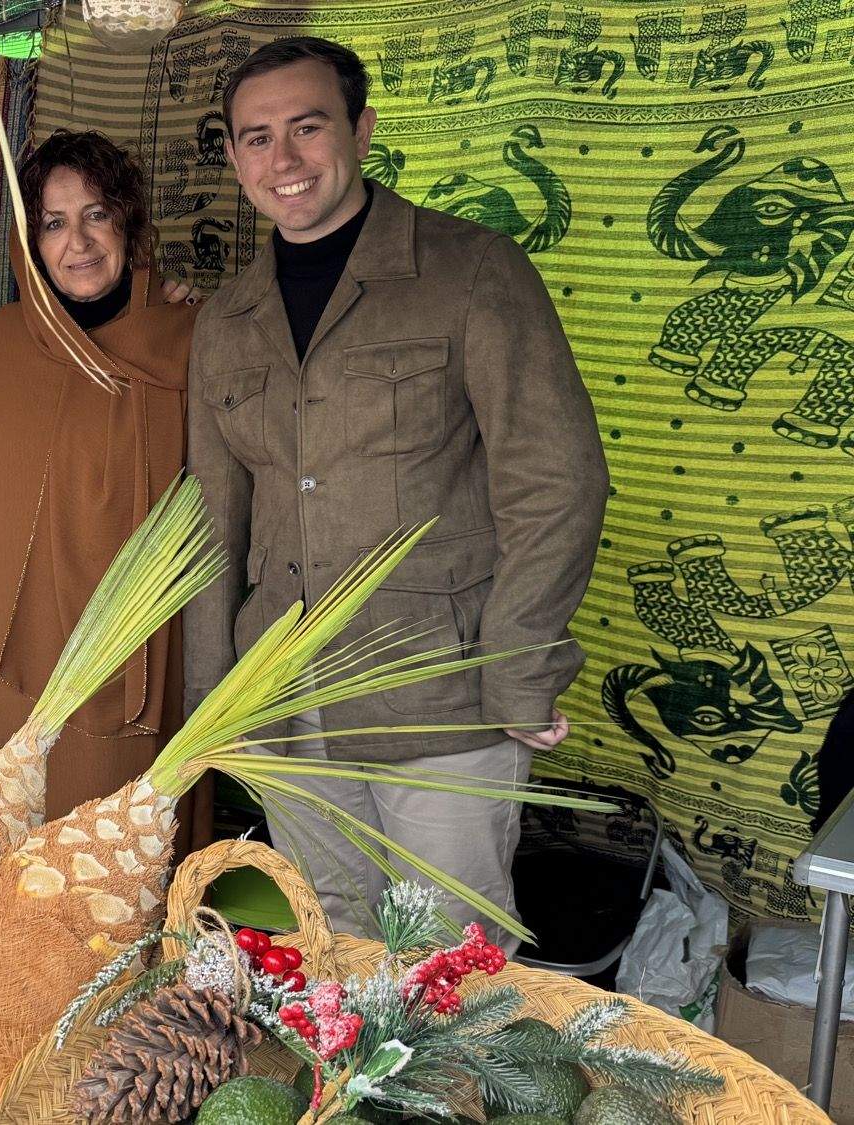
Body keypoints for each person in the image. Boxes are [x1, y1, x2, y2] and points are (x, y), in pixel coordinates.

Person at [185, 37, 609, 945]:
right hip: (286, 697)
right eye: (256, 138)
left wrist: (520, 667)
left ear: (362, 129)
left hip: (441, 694)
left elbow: (557, 481)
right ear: (233, 157)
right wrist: (213, 705)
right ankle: (353, 1096)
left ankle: (449, 1098)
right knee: (331, 941)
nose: (283, 160)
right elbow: (212, 527)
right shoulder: (228, 319)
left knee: (451, 958)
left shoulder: (470, 272)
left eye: (307, 127)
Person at [0, 130, 210, 828]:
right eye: (52, 222)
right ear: (29, 241)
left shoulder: (188, 338)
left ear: (128, 225)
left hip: (137, 635)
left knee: (120, 840)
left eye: (96, 213)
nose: (77, 240)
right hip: (13, 640)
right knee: (16, 832)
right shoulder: (5, 343)